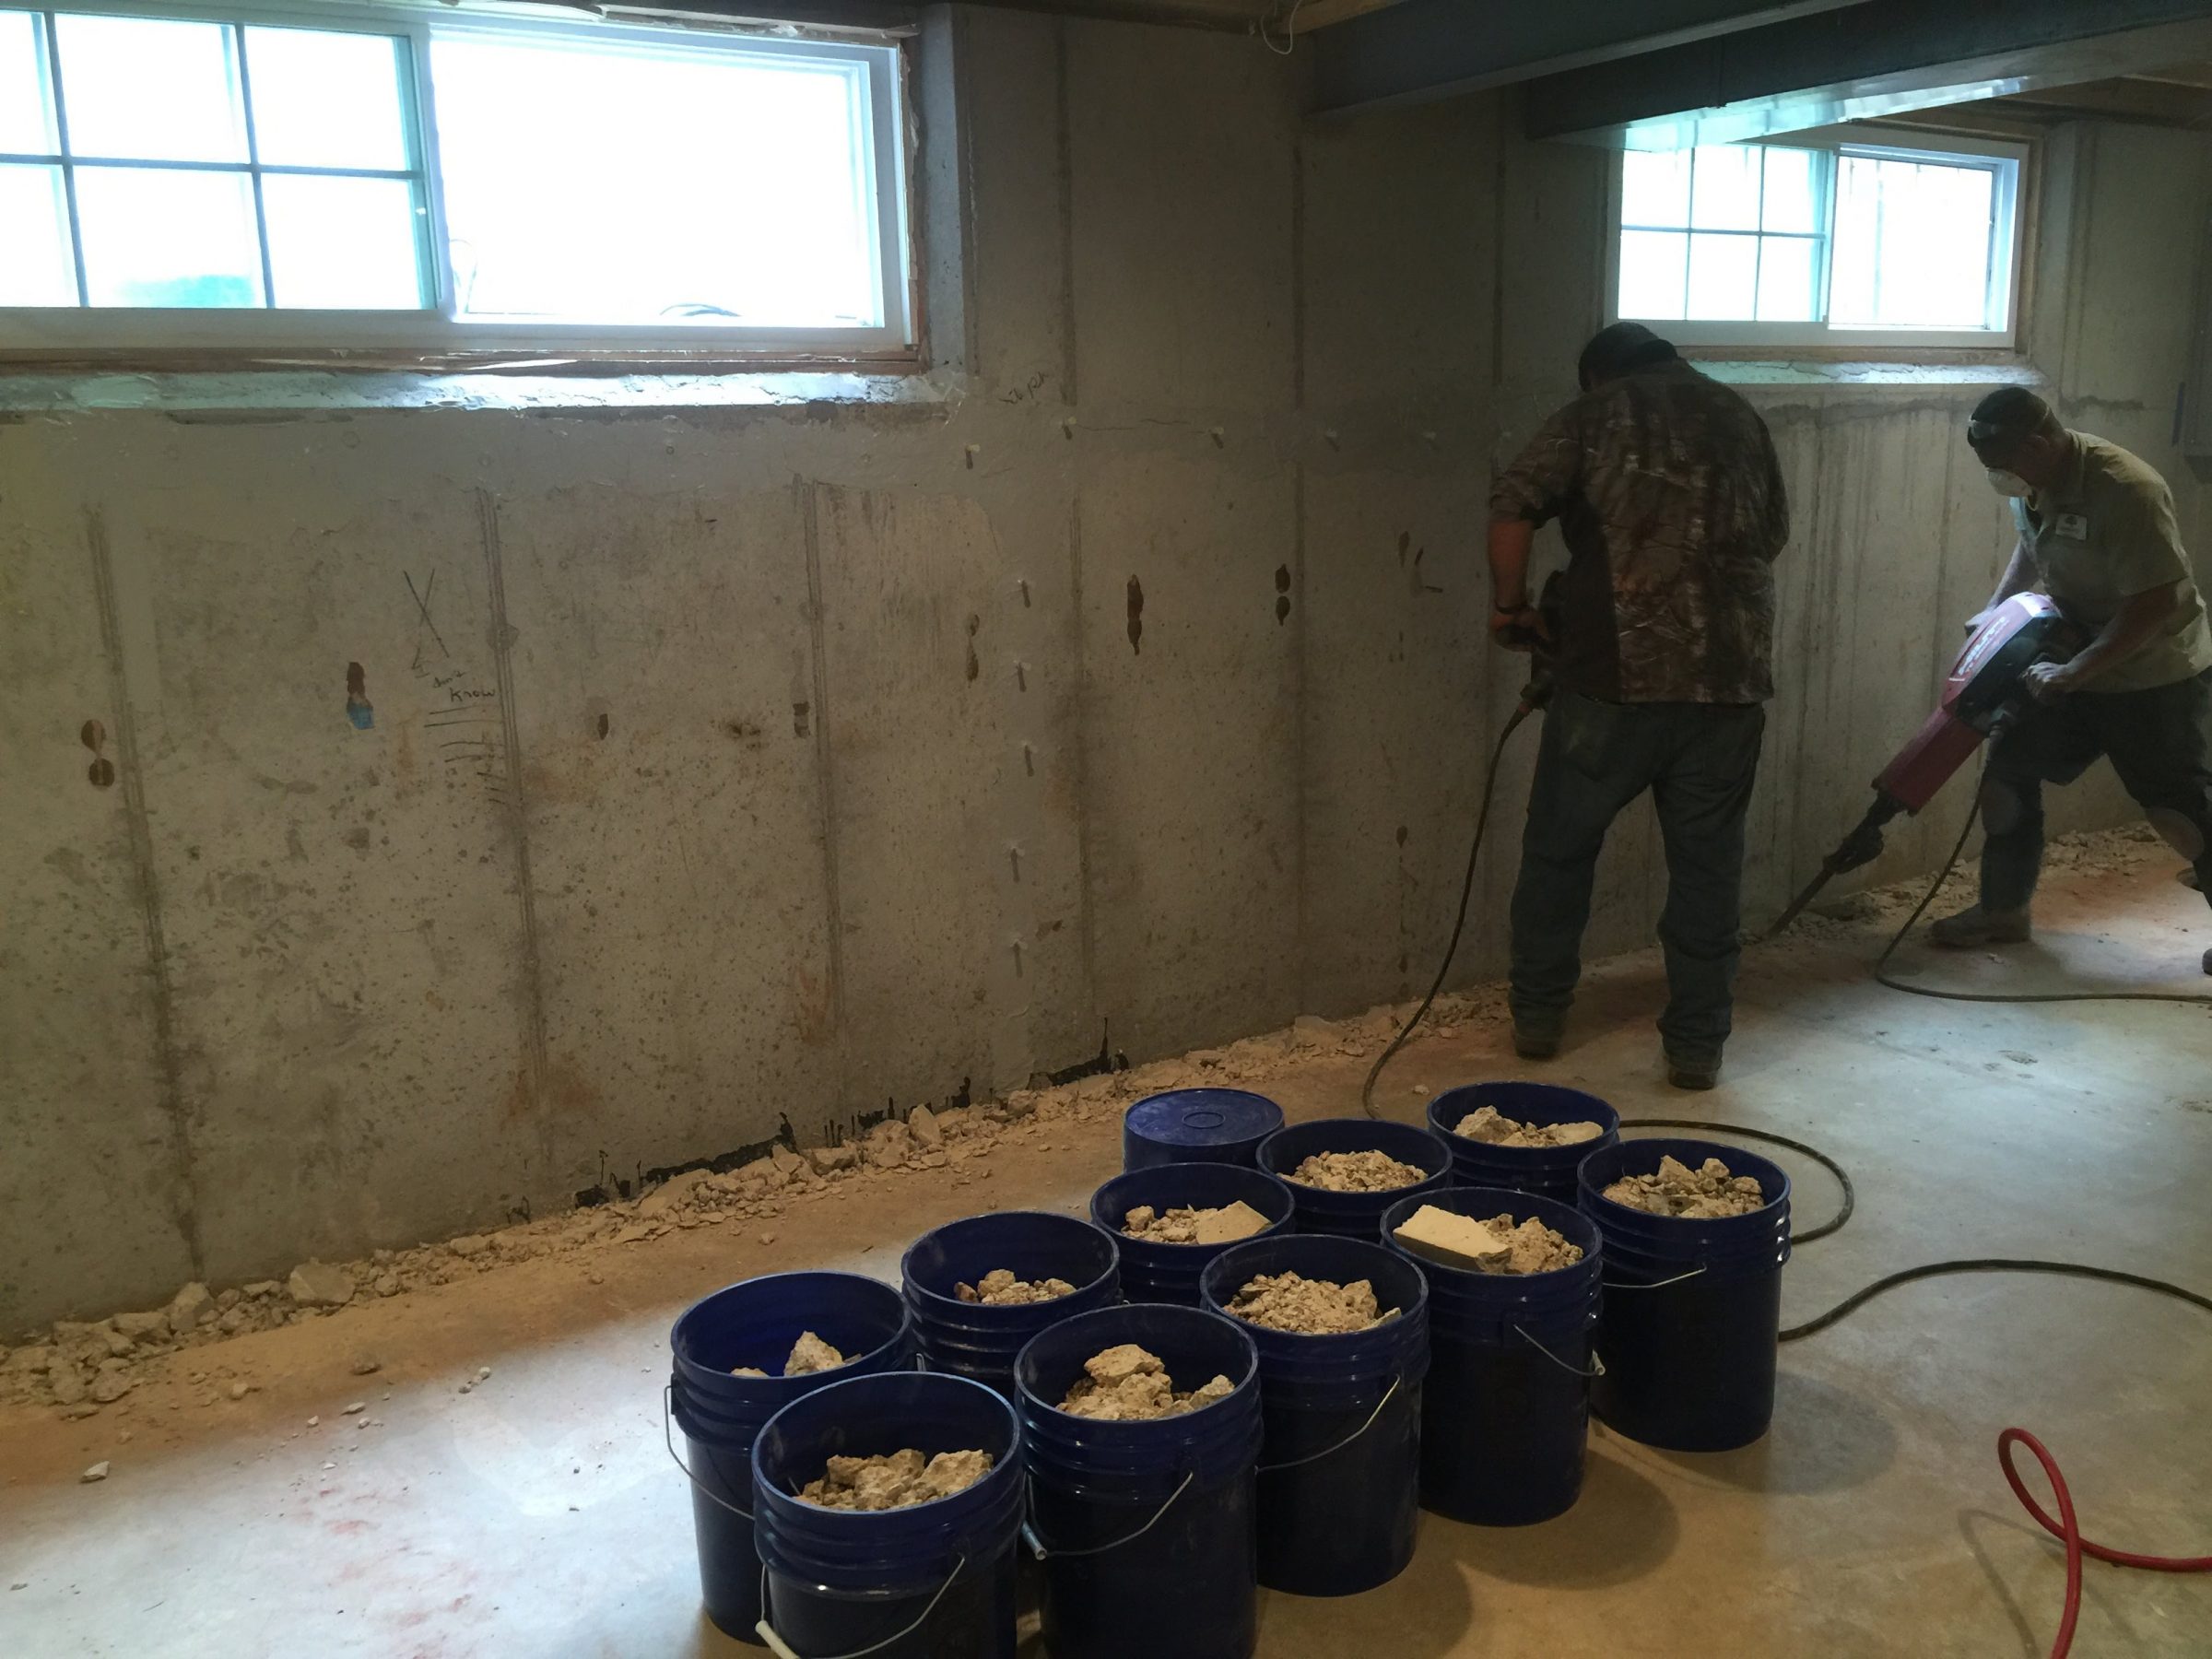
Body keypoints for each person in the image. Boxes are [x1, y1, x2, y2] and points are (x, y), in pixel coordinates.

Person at [1488, 323, 1789, 1089]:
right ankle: (1696, 1047)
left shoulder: (1595, 413)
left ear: (1596, 374)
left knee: (1560, 849)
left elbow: (1513, 504)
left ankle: (1539, 1018)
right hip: (1728, 684)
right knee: (1707, 869)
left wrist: (1510, 606)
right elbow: (1772, 534)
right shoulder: (1739, 415)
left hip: (1611, 683)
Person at [1931, 386, 2212, 969]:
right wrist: (1997, 612)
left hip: (2151, 675)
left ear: (2038, 443)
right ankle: (2003, 911)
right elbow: (2032, 549)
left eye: (2005, 465)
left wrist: (2076, 671)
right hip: (2070, 661)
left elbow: (2157, 601)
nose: (1999, 478)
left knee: (2177, 809)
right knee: (2006, 778)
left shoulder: (2126, 490)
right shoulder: (2035, 480)